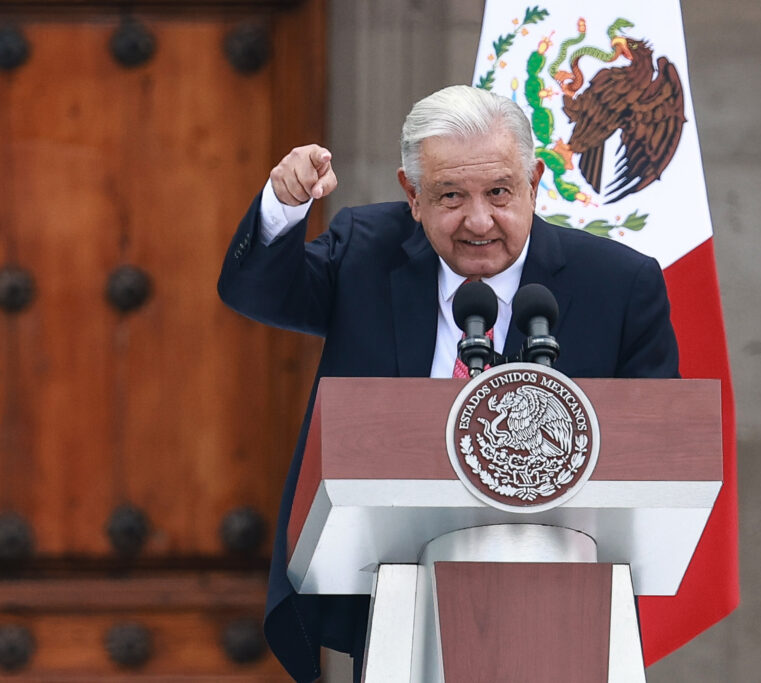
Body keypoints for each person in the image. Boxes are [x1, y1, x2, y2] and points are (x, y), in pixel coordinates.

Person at [218, 84, 679, 682]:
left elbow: (661, 453)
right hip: (394, 599)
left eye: (499, 193)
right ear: (413, 196)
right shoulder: (366, 253)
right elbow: (257, 292)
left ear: (534, 182)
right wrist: (283, 204)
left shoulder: (617, 284)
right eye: (451, 196)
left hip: (566, 601)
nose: (478, 221)